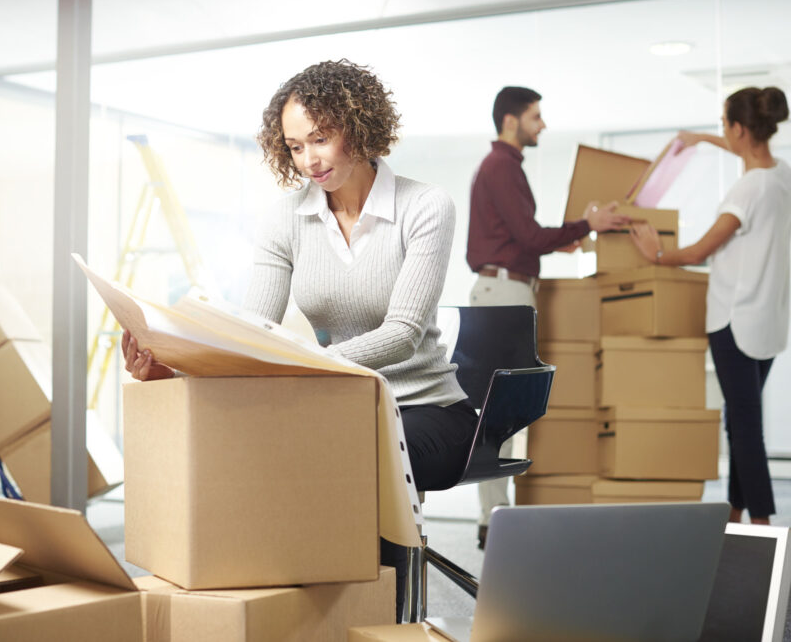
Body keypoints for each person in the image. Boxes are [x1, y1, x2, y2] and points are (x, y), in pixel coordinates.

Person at [122, 59, 477, 620]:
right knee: (277, 441)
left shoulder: (424, 205)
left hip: (424, 406)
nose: (309, 159)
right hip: (336, 404)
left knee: (350, 456)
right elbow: (251, 333)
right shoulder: (285, 218)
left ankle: (383, 618)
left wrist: (305, 364)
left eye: (321, 138)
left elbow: (403, 335)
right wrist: (173, 365)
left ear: (359, 128)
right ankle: (298, 609)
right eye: (293, 147)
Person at [466, 86, 629, 549]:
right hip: (504, 292)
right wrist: (585, 225)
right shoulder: (501, 166)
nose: (543, 125)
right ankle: (494, 515)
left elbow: (525, 237)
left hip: (506, 288)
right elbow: (530, 235)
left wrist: (564, 238)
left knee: (502, 407)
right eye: (536, 117)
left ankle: (494, 514)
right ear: (512, 121)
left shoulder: (502, 167)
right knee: (500, 409)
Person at [631, 86, 791, 526]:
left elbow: (702, 250)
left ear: (741, 128)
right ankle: (737, 510)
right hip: (769, 324)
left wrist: (657, 254)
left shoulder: (745, 191)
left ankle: (760, 521)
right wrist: (704, 139)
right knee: (741, 419)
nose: (723, 131)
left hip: (734, 322)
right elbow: (748, 150)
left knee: (743, 425)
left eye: (724, 125)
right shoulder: (782, 175)